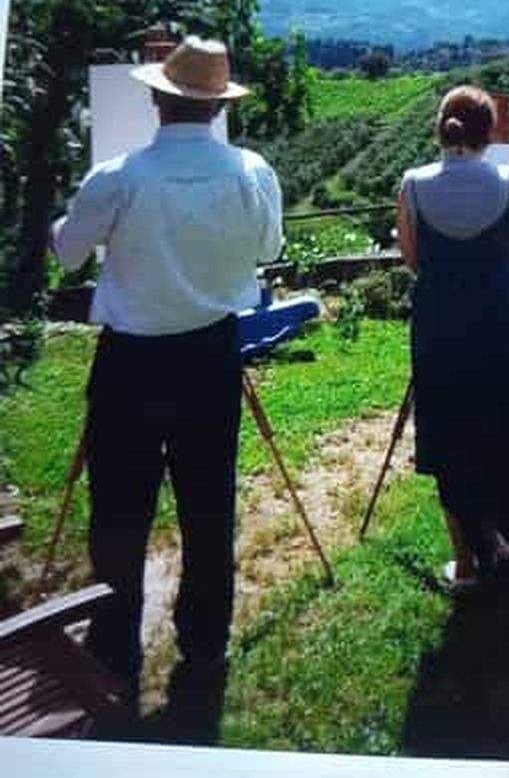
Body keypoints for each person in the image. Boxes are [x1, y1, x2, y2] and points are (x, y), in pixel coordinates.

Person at [50, 36, 283, 719]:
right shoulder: (252, 171)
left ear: (156, 96)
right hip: (211, 357)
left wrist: (63, 223)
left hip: (131, 363)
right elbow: (269, 248)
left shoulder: (118, 176)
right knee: (209, 506)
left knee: (121, 514)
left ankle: (115, 648)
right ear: (216, 105)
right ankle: (205, 642)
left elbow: (66, 254)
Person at [396, 85, 509, 588]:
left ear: (442, 127)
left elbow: (414, 259)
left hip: (443, 325)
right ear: (489, 133)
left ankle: (475, 548)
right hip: (503, 323)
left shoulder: (412, 185)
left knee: (452, 427)